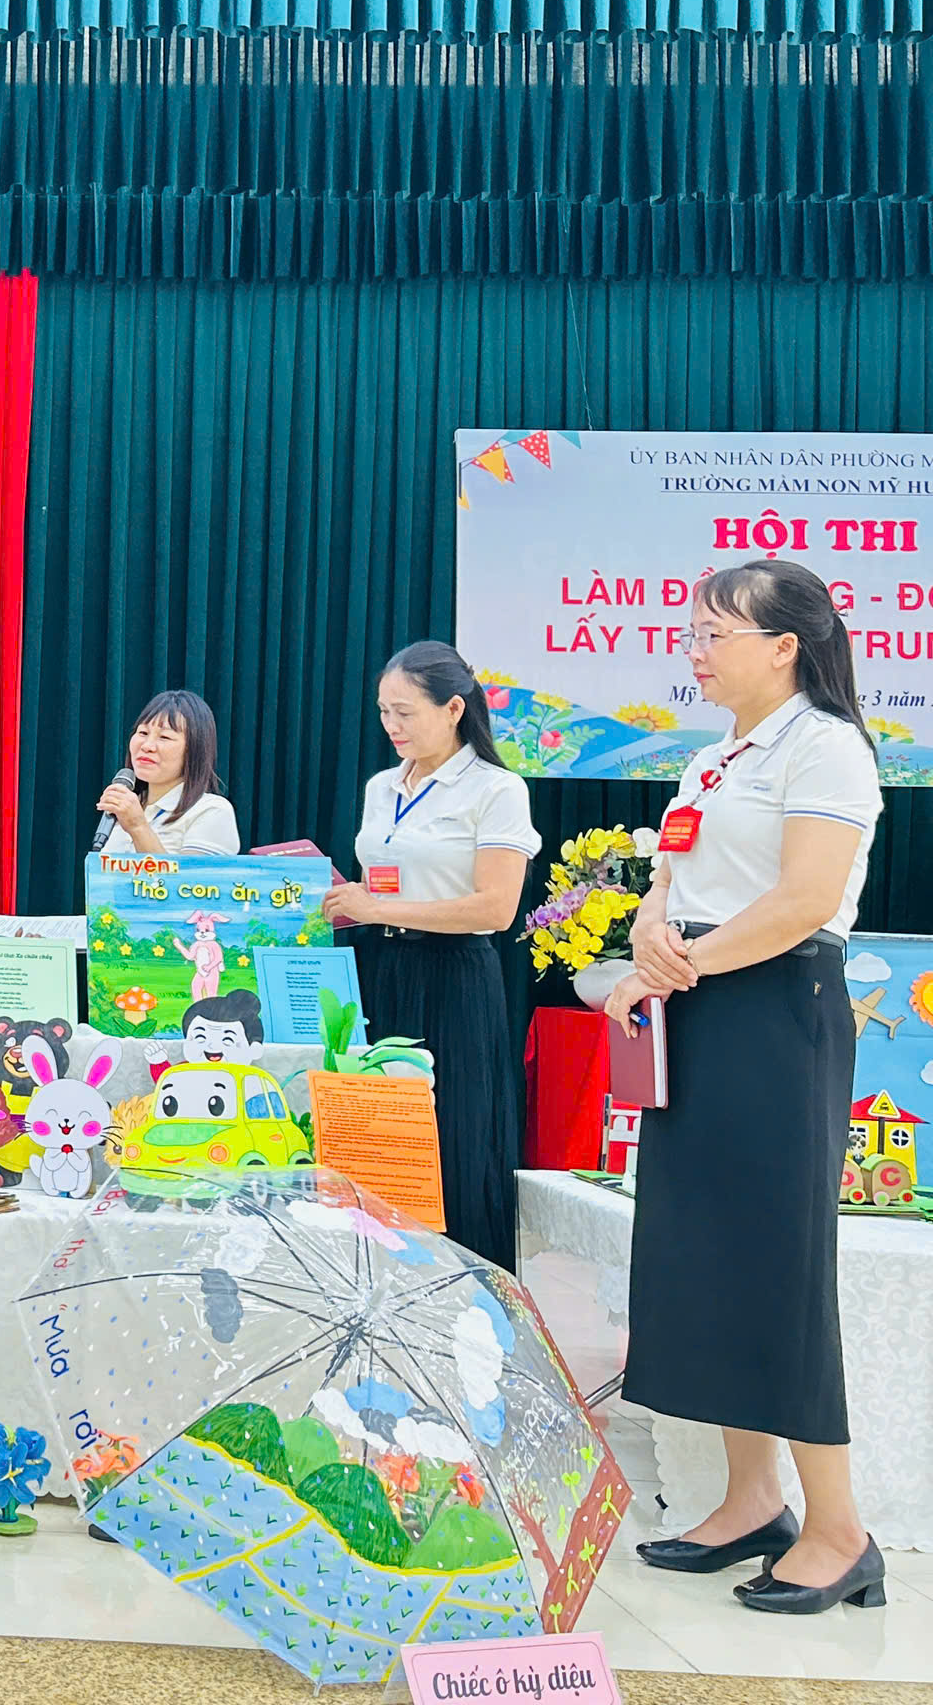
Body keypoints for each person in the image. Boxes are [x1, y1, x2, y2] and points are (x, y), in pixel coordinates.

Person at [606, 560, 884, 1615]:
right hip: (704, 1007)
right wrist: (650, 936)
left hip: (776, 1012)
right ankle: (752, 1500)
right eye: (692, 632)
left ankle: (839, 1531)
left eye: (714, 632)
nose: (695, 650)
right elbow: (669, 879)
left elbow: (805, 897)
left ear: (784, 646)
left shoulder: (827, 746)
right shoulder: (714, 757)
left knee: (778, 1265)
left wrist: (681, 964)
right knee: (709, 1256)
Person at [323, 640, 537, 1269]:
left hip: (454, 977)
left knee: (454, 1138)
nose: (390, 726)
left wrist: (378, 908)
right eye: (382, 711)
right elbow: (381, 886)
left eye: (405, 712)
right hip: (378, 970)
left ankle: (467, 1291)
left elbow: (495, 909)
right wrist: (344, 900)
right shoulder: (382, 786)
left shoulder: (496, 789)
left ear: (453, 709)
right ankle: (375, 1279)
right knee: (377, 1137)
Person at [95, 690, 241, 857]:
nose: (147, 746)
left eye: (164, 737)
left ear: (194, 749)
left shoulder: (212, 810)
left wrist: (138, 827)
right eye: (143, 733)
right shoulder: (126, 809)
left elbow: (191, 875)